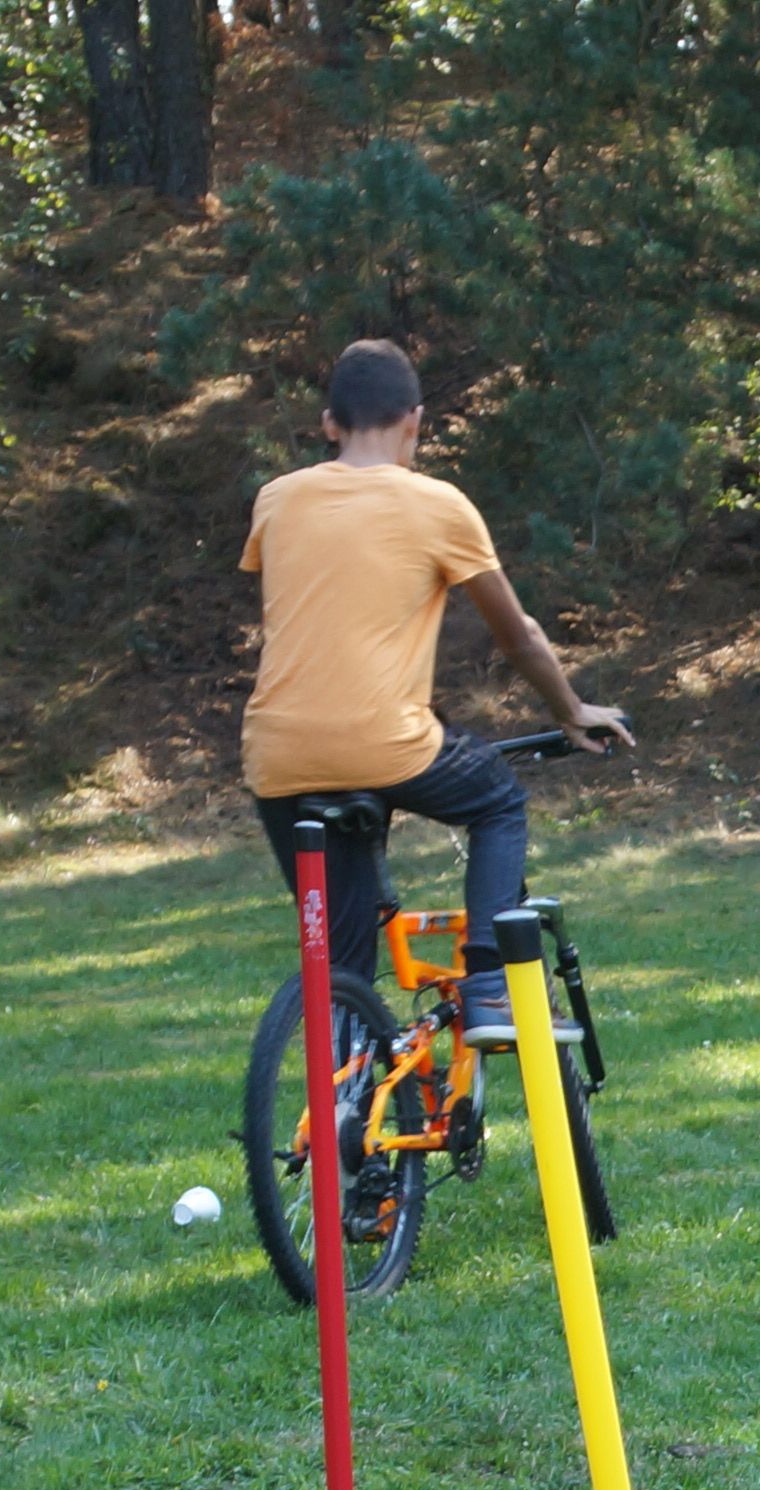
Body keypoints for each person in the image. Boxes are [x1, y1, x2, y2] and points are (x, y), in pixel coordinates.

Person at [239, 339, 629, 1047]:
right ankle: (489, 988)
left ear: (329, 422)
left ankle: (352, 1114)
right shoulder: (439, 505)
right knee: (498, 800)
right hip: (386, 746)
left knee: (343, 968)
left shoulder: (276, 500)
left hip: (277, 761)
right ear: (415, 421)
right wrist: (571, 711)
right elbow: (519, 637)